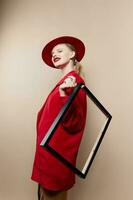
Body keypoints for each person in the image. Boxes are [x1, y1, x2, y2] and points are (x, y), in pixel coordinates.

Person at [31, 36, 87, 200]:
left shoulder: (75, 82)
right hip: (47, 156)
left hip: (56, 159)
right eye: (52, 53)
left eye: (59, 50)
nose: (54, 54)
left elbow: (76, 123)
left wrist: (64, 93)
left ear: (72, 54)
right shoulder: (64, 82)